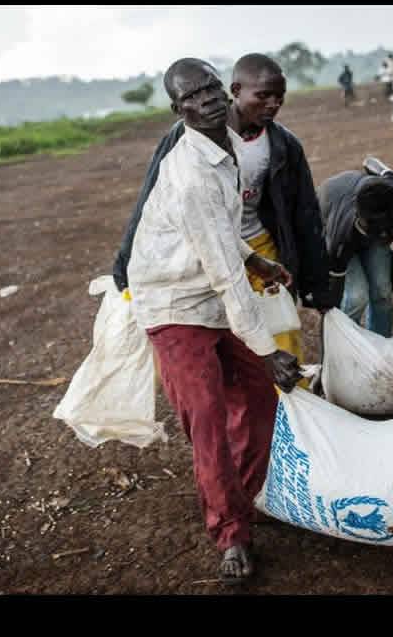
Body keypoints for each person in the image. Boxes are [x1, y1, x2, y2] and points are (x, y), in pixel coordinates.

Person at [125, 58, 305, 585]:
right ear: (177, 109)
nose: (206, 100)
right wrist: (268, 348)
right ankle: (230, 533)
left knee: (256, 393)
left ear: (222, 89)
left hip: (208, 287)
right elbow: (225, 276)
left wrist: (258, 259)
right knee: (206, 417)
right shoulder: (189, 173)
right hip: (172, 302)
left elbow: (225, 239)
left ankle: (243, 498)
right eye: (192, 96)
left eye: (210, 88)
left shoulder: (225, 146)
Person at [112, 54, 337, 390]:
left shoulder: (283, 145)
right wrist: (125, 263)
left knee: (280, 331)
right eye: (262, 96)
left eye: (279, 97)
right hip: (206, 253)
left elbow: (304, 214)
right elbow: (151, 198)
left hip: (257, 245)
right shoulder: (187, 139)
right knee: (230, 340)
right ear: (236, 91)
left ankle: (294, 413)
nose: (273, 105)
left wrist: (317, 283)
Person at [317, 157, 393, 338]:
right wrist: (330, 312)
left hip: (369, 201)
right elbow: (335, 282)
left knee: (382, 292)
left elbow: (376, 165)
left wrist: (370, 164)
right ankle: (347, 343)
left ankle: (380, 344)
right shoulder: (340, 235)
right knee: (356, 297)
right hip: (334, 220)